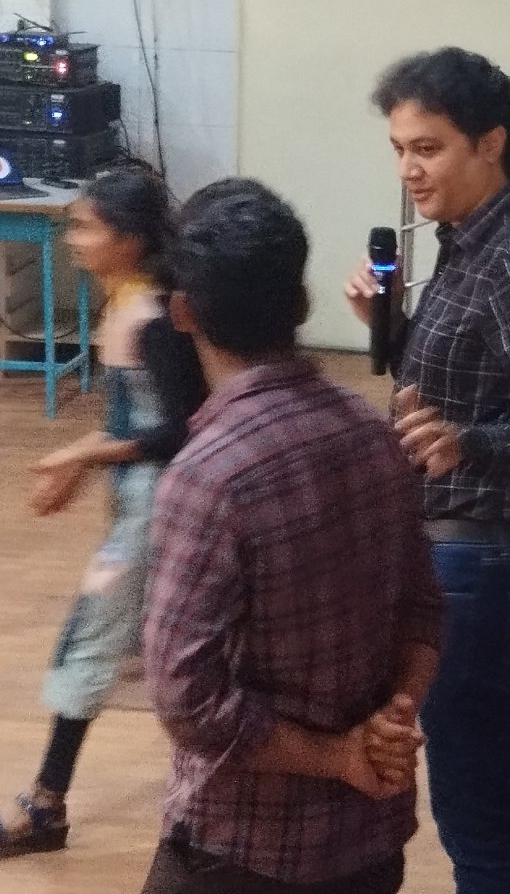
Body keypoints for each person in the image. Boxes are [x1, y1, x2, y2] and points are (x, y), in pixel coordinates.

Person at [343, 47, 510, 894]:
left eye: (428, 148)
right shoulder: (473, 235)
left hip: (496, 555)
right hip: (482, 545)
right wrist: (390, 327)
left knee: (481, 810)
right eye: (399, 149)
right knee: (504, 785)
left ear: (490, 143)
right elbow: (462, 382)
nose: (409, 169)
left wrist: (472, 444)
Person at [140, 177, 441, 894]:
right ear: (302, 302)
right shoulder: (374, 433)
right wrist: (394, 717)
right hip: (368, 844)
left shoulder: (208, 477)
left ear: (183, 313)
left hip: (243, 851)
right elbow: (425, 609)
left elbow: (186, 698)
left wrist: (339, 757)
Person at [0, 164, 207, 856]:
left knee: (97, 638)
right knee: (141, 648)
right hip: (138, 502)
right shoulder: (126, 304)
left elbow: (182, 430)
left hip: (157, 511)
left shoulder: (154, 319)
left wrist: (88, 453)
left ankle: (46, 803)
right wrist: (83, 460)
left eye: (86, 227)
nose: (73, 238)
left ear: (128, 239)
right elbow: (137, 422)